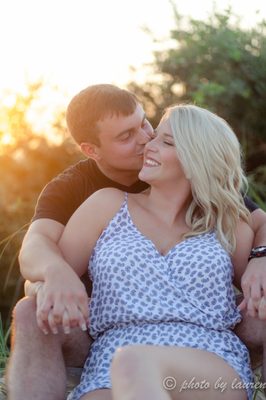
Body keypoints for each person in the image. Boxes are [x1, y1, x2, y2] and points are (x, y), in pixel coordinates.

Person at [6, 85, 266, 400]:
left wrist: (261, 258)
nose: (146, 141)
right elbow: (38, 251)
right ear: (92, 150)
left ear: (195, 158)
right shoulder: (94, 198)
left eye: (151, 129)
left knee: (134, 361)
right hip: (107, 355)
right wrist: (52, 278)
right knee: (117, 359)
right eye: (126, 137)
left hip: (204, 355)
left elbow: (260, 223)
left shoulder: (224, 216)